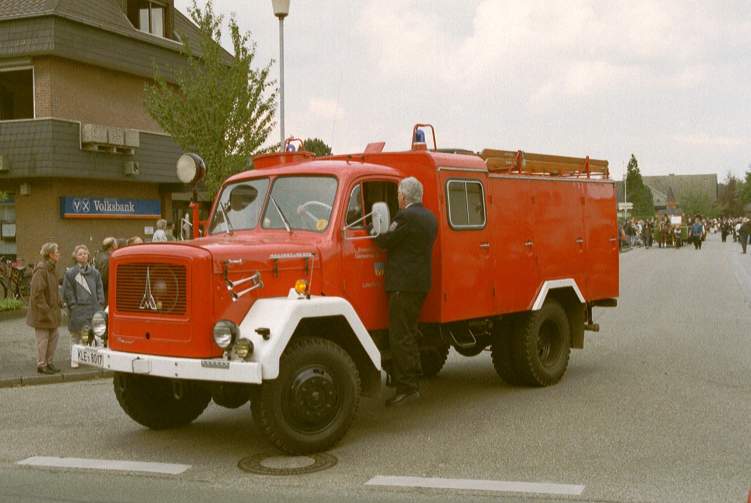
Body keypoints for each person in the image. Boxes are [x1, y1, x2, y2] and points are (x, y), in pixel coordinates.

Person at [375, 177, 437, 407]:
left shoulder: (405, 217)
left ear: (403, 196)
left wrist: (376, 230)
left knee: (400, 336)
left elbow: (385, 241)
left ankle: (408, 387)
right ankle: (412, 379)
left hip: (402, 285)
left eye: (398, 195)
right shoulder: (430, 218)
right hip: (420, 284)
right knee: (409, 332)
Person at [62, 245, 104, 368]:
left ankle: (85, 357)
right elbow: (68, 291)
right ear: (75, 256)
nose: (83, 256)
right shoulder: (70, 273)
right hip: (77, 309)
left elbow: (99, 288)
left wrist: (100, 302)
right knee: (75, 334)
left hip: (92, 308)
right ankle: (74, 358)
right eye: (80, 254)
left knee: (87, 334)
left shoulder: (95, 272)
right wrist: (73, 305)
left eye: (85, 253)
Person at [26, 242, 62, 375]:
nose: (59, 254)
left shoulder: (52, 269)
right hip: (43, 313)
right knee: (43, 339)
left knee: (54, 337)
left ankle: (49, 362)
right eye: (57, 251)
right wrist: (46, 310)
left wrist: (59, 301)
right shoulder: (41, 270)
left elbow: (53, 290)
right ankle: (42, 365)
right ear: (51, 254)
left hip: (51, 311)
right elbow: (37, 294)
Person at [96, 237, 117, 308]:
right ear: (113, 246)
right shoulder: (107, 259)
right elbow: (103, 279)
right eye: (115, 243)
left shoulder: (99, 256)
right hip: (106, 294)